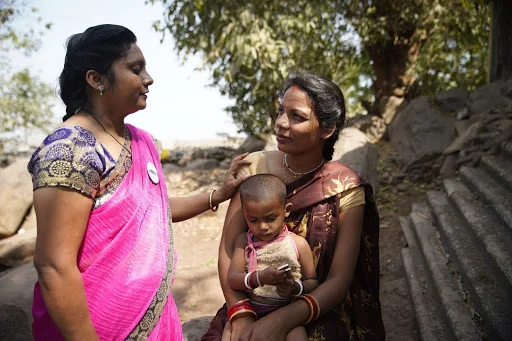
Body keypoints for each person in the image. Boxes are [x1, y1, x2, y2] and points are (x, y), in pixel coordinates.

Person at [27, 24, 249, 341]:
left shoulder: (140, 141)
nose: (148, 78)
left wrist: (219, 194)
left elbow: (154, 208)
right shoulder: (70, 150)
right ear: (96, 79)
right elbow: (53, 265)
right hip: (92, 328)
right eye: (135, 68)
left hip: (156, 318)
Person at [203, 72, 385, 341]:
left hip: (313, 307)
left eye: (296, 117)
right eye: (280, 112)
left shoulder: (346, 188)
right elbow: (230, 250)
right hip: (253, 303)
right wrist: (240, 313)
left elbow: (338, 280)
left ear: (327, 129)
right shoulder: (254, 167)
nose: (280, 123)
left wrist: (282, 320)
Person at [222, 174, 319, 341]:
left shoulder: (298, 244)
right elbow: (233, 279)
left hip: (287, 312)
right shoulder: (245, 241)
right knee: (230, 333)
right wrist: (259, 277)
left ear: (286, 210)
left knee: (298, 336)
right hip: (251, 310)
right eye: (253, 220)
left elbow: (313, 281)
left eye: (270, 218)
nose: (262, 227)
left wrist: (295, 288)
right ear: (245, 215)